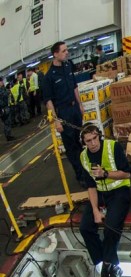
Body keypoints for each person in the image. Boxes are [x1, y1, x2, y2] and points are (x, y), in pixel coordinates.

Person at [79, 124, 131, 277]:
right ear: (84, 142)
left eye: (95, 138)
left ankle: (107, 269)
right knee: (85, 228)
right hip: (100, 194)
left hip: (119, 191)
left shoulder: (112, 147)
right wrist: (95, 210)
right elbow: (90, 186)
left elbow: (127, 174)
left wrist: (106, 174)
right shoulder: (83, 157)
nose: (93, 143)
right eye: (89, 141)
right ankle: (104, 262)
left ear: (99, 136)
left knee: (111, 226)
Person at [43, 41, 86, 186]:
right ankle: (80, 176)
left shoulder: (68, 66)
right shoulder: (49, 77)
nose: (67, 52)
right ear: (55, 54)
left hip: (74, 110)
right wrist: (56, 120)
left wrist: (80, 105)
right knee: (71, 147)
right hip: (64, 113)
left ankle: (86, 170)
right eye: (64, 51)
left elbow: (74, 87)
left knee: (80, 141)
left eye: (67, 50)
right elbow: (48, 101)